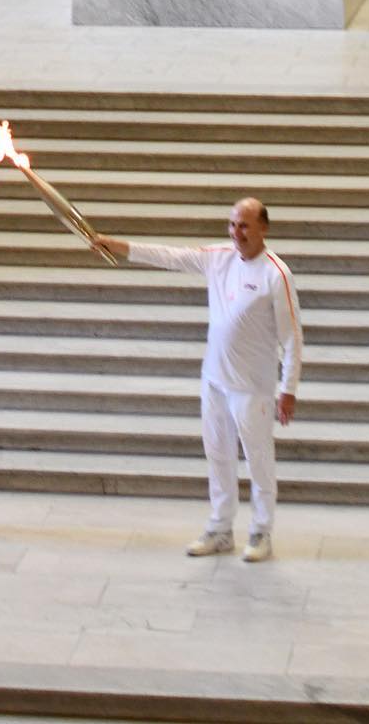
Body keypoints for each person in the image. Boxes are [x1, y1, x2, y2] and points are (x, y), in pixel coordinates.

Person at [92, 196, 302, 563]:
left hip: (253, 387)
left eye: (245, 225)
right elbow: (169, 256)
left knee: (258, 460)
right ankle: (221, 528)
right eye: (233, 224)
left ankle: (261, 531)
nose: (237, 233)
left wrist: (289, 390)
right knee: (218, 456)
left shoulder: (276, 274)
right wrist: (117, 246)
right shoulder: (218, 257)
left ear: (264, 228)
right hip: (215, 380)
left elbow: (292, 338)